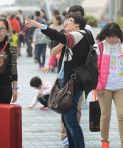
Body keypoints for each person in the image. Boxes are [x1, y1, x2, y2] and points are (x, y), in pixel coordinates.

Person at [26, 12, 91, 148]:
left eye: (70, 20)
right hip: (66, 81)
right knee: (66, 120)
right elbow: (55, 51)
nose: (66, 22)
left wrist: (37, 24)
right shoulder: (72, 37)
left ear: (78, 24)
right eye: (65, 20)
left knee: (71, 121)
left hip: (72, 84)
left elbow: (56, 35)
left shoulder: (78, 35)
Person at [94, 23, 123, 148]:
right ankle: (104, 142)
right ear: (104, 36)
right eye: (108, 36)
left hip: (121, 86)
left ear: (119, 35)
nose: (111, 39)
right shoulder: (99, 47)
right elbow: (94, 70)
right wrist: (98, 87)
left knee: (122, 115)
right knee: (105, 116)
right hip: (104, 88)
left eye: (114, 36)